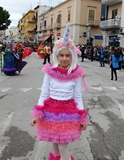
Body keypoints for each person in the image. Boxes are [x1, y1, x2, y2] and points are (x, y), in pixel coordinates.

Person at [30, 23, 89, 160]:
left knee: (63, 146)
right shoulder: (49, 73)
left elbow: (78, 97)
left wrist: (82, 117)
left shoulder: (76, 74)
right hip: (51, 111)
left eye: (67, 55)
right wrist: (37, 114)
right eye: (61, 55)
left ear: (72, 57)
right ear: (56, 56)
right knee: (55, 144)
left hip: (68, 112)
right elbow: (44, 93)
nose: (64, 58)